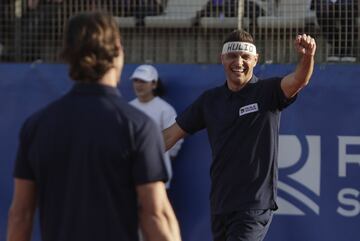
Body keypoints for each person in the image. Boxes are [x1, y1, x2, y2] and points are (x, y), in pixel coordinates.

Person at [7, 12, 181, 241]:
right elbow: (155, 215)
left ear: (68, 55)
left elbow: (21, 215)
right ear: (118, 49)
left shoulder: (37, 126)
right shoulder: (137, 127)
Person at [163, 29, 316, 241]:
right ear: (222, 59)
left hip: (253, 206)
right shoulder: (210, 100)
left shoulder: (267, 91)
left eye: (245, 57)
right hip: (221, 206)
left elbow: (300, 79)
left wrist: (307, 57)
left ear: (255, 60)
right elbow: (169, 136)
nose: (239, 62)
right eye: (232, 56)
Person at [129, 64, 183, 188]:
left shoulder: (165, 110)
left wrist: (159, 160)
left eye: (143, 81)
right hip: (130, 177)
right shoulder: (127, 109)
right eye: (136, 80)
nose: (138, 84)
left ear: (154, 84)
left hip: (156, 178)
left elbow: (175, 141)